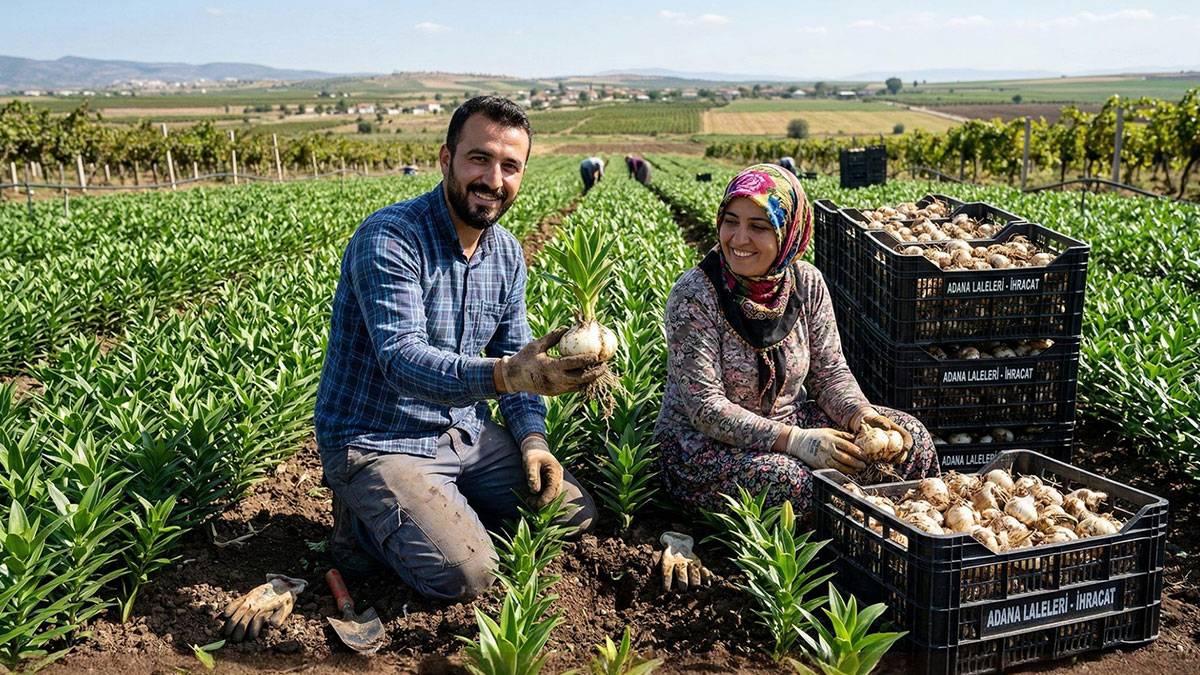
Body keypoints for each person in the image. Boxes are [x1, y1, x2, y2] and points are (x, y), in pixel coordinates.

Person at [315, 96, 600, 602]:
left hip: (462, 432)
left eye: (510, 166)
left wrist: (533, 440)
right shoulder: (390, 238)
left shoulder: (506, 253)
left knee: (575, 515)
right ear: (446, 159)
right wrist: (506, 375)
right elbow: (402, 359)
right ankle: (359, 523)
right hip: (379, 438)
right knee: (469, 575)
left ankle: (435, 509)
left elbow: (517, 353)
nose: (493, 179)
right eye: (479, 159)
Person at [654, 164, 939, 521]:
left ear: (789, 232)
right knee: (795, 483)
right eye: (731, 221)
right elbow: (706, 409)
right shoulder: (695, 295)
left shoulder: (806, 283)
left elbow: (830, 374)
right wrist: (796, 441)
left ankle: (899, 534)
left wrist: (860, 415)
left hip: (794, 422)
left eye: (759, 226)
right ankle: (835, 542)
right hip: (704, 447)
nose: (739, 239)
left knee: (912, 440)